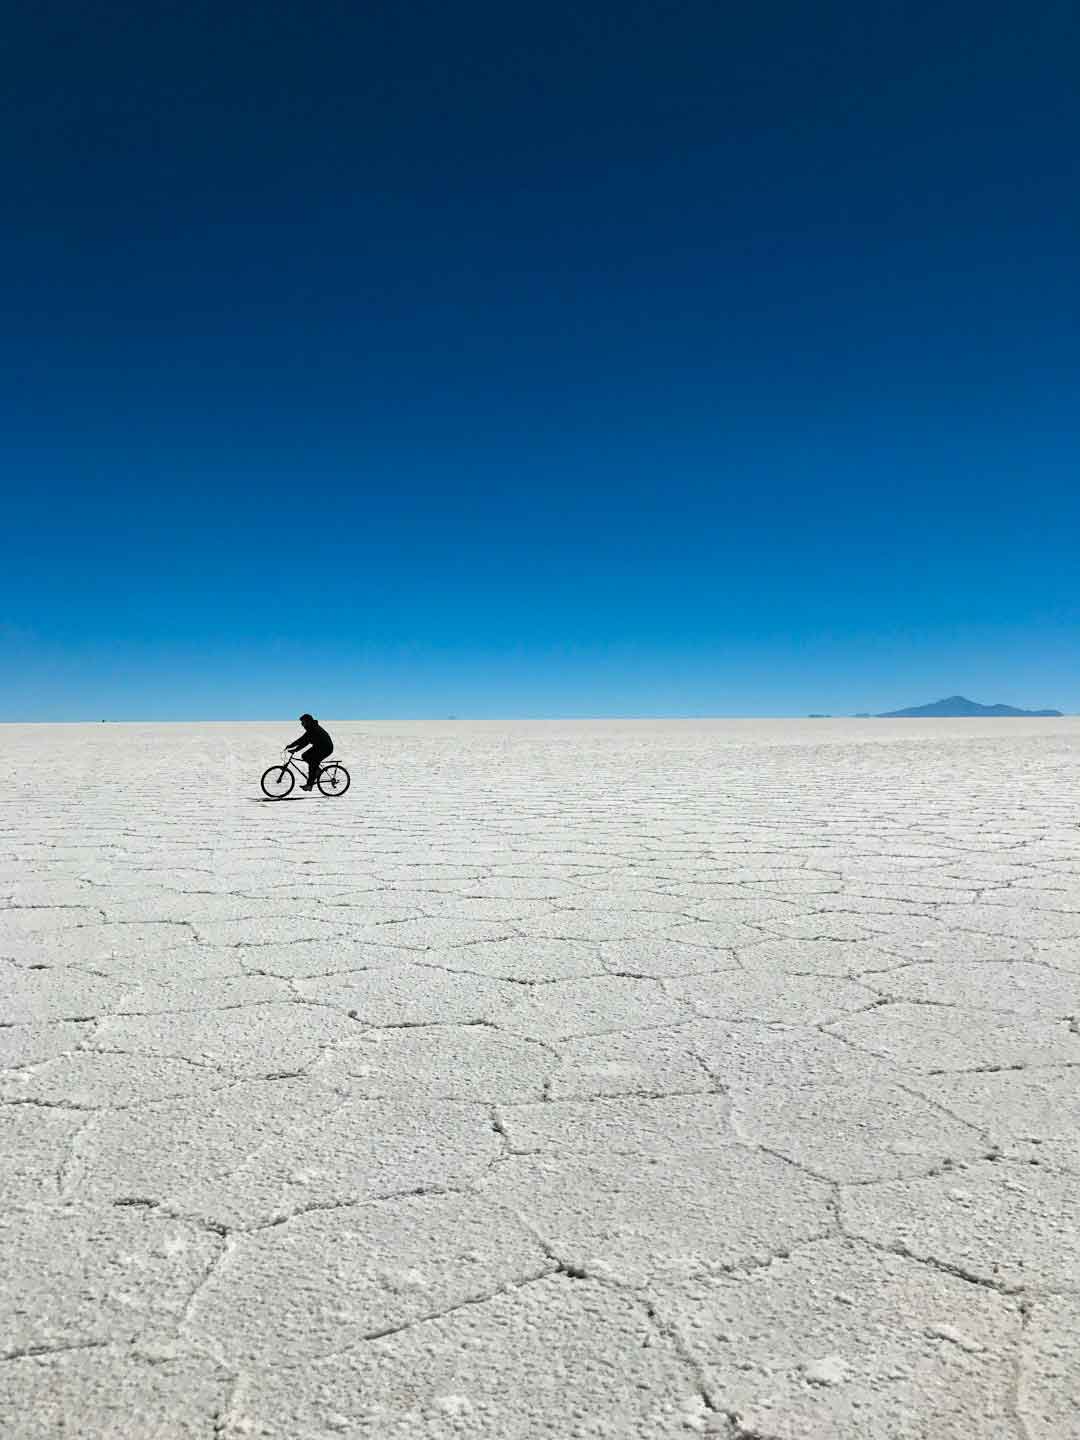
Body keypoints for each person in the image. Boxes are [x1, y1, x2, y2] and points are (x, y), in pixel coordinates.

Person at [286, 713, 334, 790]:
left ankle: (309, 785)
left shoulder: (313, 729)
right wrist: (291, 745)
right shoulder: (311, 728)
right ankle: (317, 771)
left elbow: (305, 742)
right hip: (319, 747)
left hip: (326, 748)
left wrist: (295, 749)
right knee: (305, 756)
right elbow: (302, 739)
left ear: (308, 721)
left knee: (312, 764)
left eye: (303, 722)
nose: (302, 724)